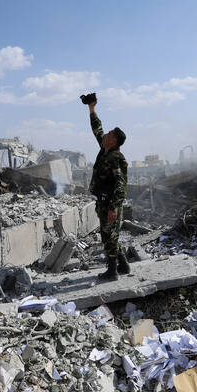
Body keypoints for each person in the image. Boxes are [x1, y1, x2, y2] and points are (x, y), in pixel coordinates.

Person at [86, 97, 129, 281]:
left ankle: (112, 272)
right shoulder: (104, 151)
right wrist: (91, 108)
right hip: (103, 201)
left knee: (110, 236)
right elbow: (98, 130)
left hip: (111, 203)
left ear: (114, 141)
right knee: (109, 234)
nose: (105, 134)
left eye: (109, 134)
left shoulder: (115, 157)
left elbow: (121, 185)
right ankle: (124, 265)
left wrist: (113, 207)